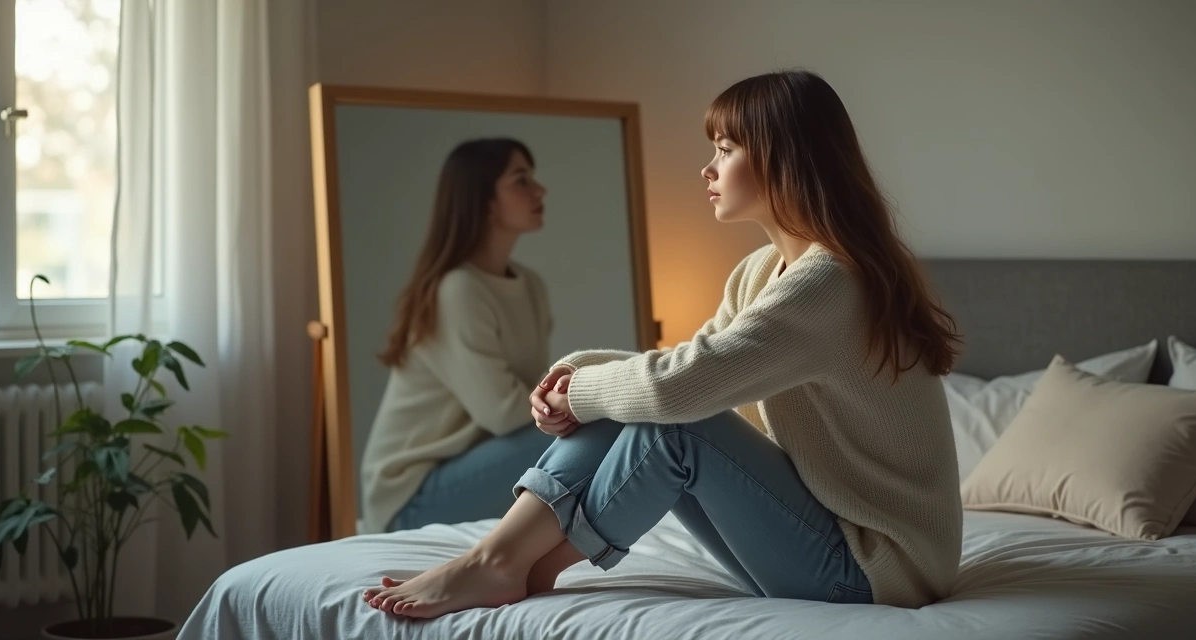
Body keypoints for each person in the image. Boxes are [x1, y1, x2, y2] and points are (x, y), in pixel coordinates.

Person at [361, 69, 964, 615]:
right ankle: (503, 562)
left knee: (671, 420)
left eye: (725, 150)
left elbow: (679, 390)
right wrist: (577, 377)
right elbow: (678, 367)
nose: (708, 168)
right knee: (635, 405)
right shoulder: (759, 271)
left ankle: (508, 564)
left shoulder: (830, 282)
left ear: (785, 158)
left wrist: (581, 390)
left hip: (873, 574)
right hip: (811, 543)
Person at [359, 137, 555, 534]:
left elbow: (532, 395)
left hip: (473, 466)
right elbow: (504, 413)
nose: (539, 189)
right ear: (483, 200)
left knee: (578, 429)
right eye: (521, 180)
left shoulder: (530, 285)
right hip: (411, 498)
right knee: (581, 430)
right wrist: (585, 397)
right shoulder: (458, 290)